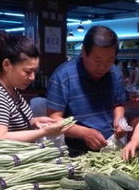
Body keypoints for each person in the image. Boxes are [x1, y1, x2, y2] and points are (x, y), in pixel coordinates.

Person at [0, 31, 65, 141]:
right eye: (27, 71)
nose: (32, 77)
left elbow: (12, 124)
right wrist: (43, 132)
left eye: (34, 72)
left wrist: (34, 121)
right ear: (7, 65)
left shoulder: (10, 88)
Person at [47, 25, 127, 155]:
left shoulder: (115, 74)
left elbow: (118, 104)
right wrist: (83, 133)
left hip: (111, 146)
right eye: (97, 60)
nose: (103, 67)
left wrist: (119, 120)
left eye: (110, 60)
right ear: (84, 51)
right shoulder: (63, 76)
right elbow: (53, 119)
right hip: (75, 151)